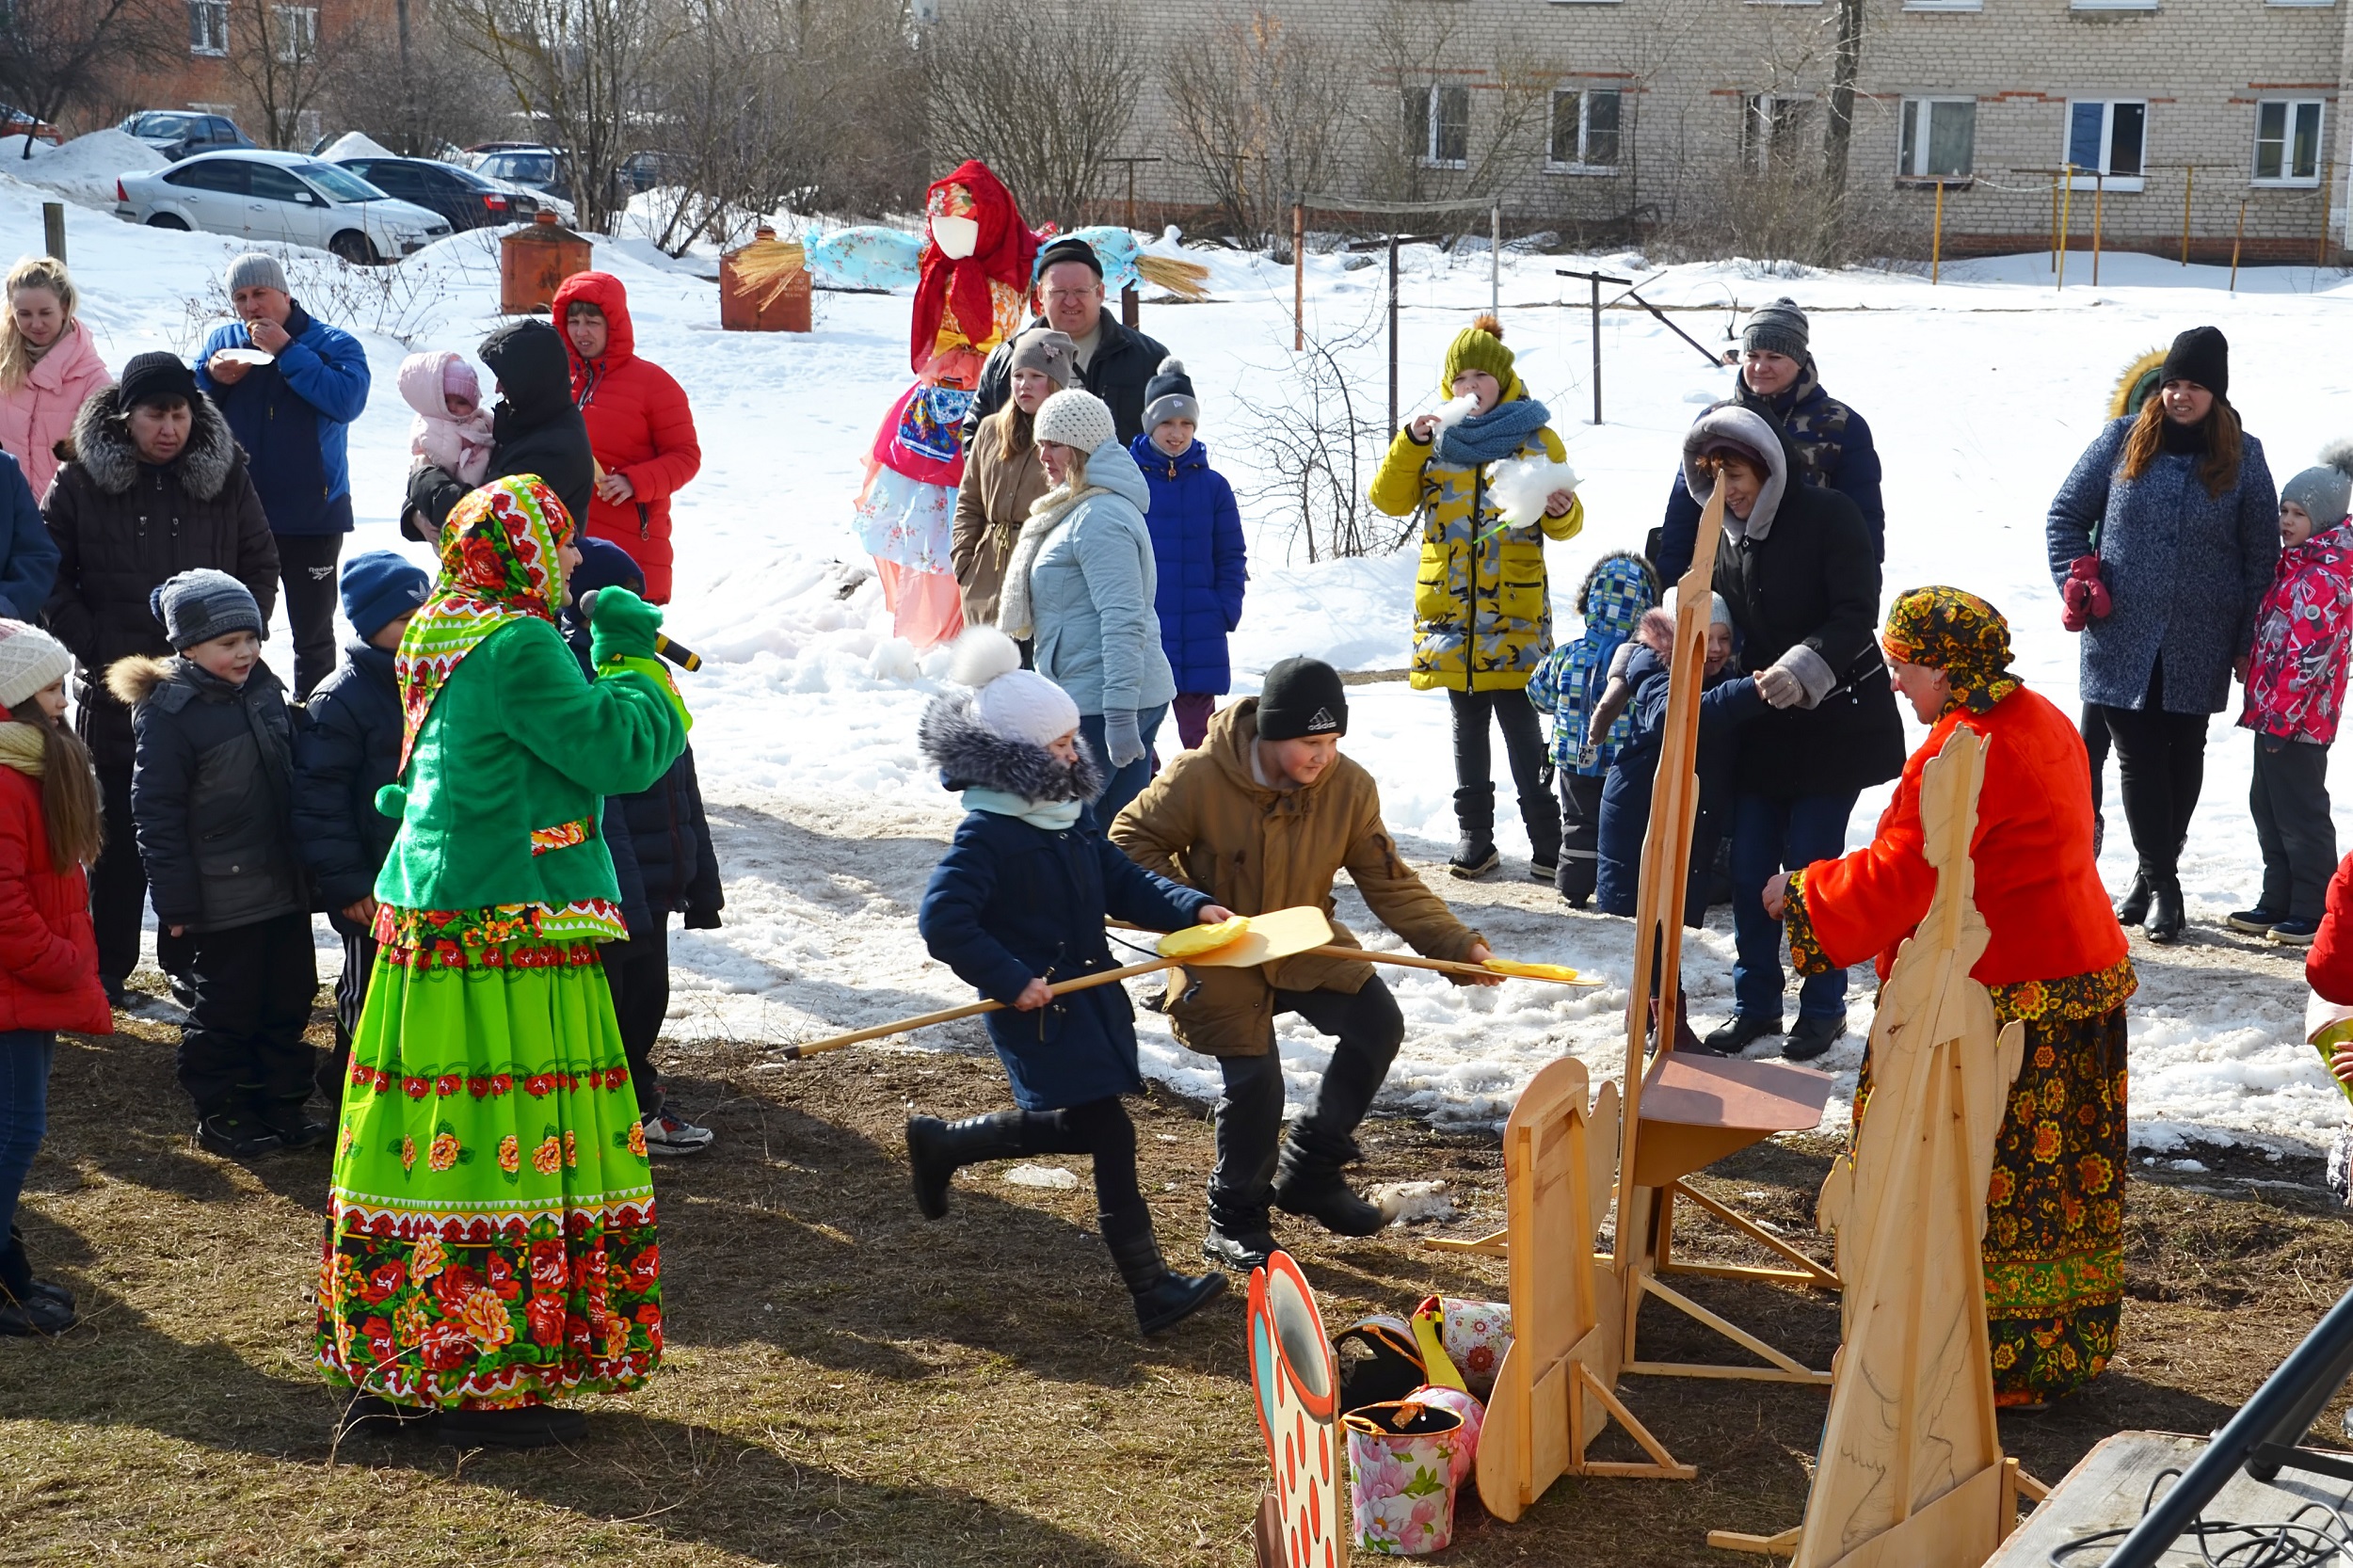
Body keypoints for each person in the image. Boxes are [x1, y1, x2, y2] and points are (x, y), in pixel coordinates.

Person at [316, 474, 685, 1448]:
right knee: (510, 1141)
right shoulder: (518, 640)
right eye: (560, 544)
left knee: (425, 1135)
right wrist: (632, 657)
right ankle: (490, 1367)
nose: (571, 562)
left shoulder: (442, 622)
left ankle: (407, 1354)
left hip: (432, 918)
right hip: (507, 924)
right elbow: (620, 754)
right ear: (520, 550)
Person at [1767, 587, 2133, 1409]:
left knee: (1983, 1169)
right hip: (2078, 976)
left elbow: (1907, 873)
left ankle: (1975, 1355)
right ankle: (2036, 1352)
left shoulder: (1965, 748)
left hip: (2003, 1000)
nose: (1897, 684)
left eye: (1904, 668)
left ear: (1944, 666)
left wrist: (1804, 893)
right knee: (2051, 1186)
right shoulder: (2040, 717)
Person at [1111, 656, 1502, 1270]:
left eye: (1332, 741)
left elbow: (1390, 882)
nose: (1322, 756)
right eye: (1308, 742)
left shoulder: (1348, 789)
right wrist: (1191, 907)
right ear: (1269, 732)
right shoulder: (1199, 776)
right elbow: (1127, 844)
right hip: (1220, 948)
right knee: (1256, 1082)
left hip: (1301, 937)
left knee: (1377, 1022)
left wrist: (1459, 947)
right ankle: (1233, 1215)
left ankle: (1311, 1171)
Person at [912, 626, 1232, 1334]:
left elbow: (1119, 879)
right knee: (1111, 1135)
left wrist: (1190, 906)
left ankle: (945, 1144)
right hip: (1040, 1010)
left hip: (1089, 997)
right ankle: (1151, 1291)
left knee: (1079, 1127)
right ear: (1013, 757)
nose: (1072, 751)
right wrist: (1011, 978)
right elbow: (944, 922)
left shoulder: (1067, 816)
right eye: (1057, 745)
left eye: (1069, 739)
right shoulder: (988, 834)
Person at [41, 353, 279, 1011]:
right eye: (155, 415)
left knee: (203, 825)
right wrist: (90, 645)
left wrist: (236, 641)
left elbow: (260, 559)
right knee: (117, 832)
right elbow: (47, 569)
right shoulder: (83, 478)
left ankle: (188, 963)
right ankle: (109, 967)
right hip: (115, 686)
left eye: (179, 413)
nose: (169, 428)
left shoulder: (224, 474)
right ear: (127, 416)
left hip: (206, 687)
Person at [1681, 406, 1904, 1062]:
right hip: (1764, 725)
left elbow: (1857, 611)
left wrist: (1801, 668)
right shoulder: (1718, 533)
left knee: (1811, 872)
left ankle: (1823, 1007)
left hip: (1833, 721)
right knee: (1751, 869)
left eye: (1739, 470)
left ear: (1768, 466)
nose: (1731, 486)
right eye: (1716, 473)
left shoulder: (1829, 515)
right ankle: (1755, 1006)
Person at [2047, 326, 2278, 943]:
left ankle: (2153, 877)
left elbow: (2261, 556)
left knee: (2185, 752)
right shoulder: (2123, 440)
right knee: (2138, 753)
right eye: (2173, 383)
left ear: (2216, 394)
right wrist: (2078, 575)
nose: (2179, 395)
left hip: (2200, 635)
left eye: (2194, 386)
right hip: (2118, 631)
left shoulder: (2244, 456)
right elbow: (2066, 514)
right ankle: (2166, 886)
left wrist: (2247, 640)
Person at [1370, 313, 1583, 881]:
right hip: (1450, 611)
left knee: (1521, 721)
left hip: (1511, 608)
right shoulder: (1435, 437)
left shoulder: (1534, 436)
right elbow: (1387, 499)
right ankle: (1475, 836)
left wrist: (1562, 511)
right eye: (1459, 379)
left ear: (1502, 380)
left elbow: (1567, 522)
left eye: (1479, 378)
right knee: (1467, 726)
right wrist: (1409, 443)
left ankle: (1546, 837)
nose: (1469, 388)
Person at [111, 569, 314, 1160]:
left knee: (289, 996)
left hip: (282, 882)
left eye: (253, 637)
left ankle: (281, 1099)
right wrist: (175, 901)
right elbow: (155, 813)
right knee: (229, 1004)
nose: (247, 651)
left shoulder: (263, 687)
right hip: (221, 896)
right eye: (229, 643)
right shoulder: (170, 711)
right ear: (188, 648)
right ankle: (222, 1107)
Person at [562, 537, 724, 1155]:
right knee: (616, 1004)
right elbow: (612, 804)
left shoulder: (645, 674)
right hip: (617, 886)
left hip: (656, 878)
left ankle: (634, 1103)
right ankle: (616, 1116)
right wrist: (624, 895)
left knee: (648, 997)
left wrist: (698, 878)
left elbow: (683, 783)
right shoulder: (584, 678)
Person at [194, 253, 371, 699]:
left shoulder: (334, 343)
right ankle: (240, 718)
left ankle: (315, 724)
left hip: (313, 513)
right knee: (232, 628)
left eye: (260, 294)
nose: (251, 306)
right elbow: (188, 414)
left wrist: (288, 352)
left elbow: (346, 401)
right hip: (237, 515)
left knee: (312, 634)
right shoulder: (223, 341)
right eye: (241, 297)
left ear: (285, 294)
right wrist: (211, 379)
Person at [995, 387, 1174, 824]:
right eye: (1040, 444)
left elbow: (1124, 619)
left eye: (1053, 444)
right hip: (1099, 693)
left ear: (1081, 446)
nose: (1043, 455)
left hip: (1104, 700)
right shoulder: (1075, 508)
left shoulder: (1099, 518)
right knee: (1113, 838)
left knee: (1064, 826)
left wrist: (1118, 714)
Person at [0, 619, 108, 1337]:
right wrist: (61, 962)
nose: (64, 700)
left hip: (28, 985)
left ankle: (8, 1268)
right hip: (21, 983)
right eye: (48, 687)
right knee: (15, 1130)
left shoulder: (30, 764)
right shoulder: (7, 780)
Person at [293, 550, 430, 1103]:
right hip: (370, 887)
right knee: (366, 995)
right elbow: (318, 802)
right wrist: (348, 886)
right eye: (403, 620)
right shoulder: (341, 697)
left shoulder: (431, 679)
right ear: (371, 626)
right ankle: (350, 1096)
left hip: (422, 877)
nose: (418, 627)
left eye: (424, 615)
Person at [1651, 297, 1883, 581]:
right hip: (1724, 584)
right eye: (1753, 356)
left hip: (1807, 587)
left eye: (1774, 357)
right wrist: (1666, 582)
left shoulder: (1842, 425)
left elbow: (1864, 523)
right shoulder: (1714, 421)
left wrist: (1860, 600)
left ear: (1799, 360)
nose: (1761, 367)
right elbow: (1684, 510)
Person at [2230, 446, 2353, 947]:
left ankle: (2314, 908)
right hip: (2273, 716)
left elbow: (2308, 660)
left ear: (2321, 518)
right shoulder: (2296, 565)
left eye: (2299, 513)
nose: (2286, 520)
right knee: (2267, 805)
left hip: (2299, 722)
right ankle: (2277, 899)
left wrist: (2280, 719)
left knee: (2300, 812)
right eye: (2284, 509)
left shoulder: (2325, 578)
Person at [1596, 596, 1767, 926]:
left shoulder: (1721, 677)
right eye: (1706, 637)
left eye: (1724, 638)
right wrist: (1748, 693)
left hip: (1688, 823)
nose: (1716, 648)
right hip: (1642, 819)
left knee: (1673, 922)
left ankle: (1665, 980)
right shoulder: (1655, 666)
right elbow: (1672, 715)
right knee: (1645, 922)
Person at [550, 272, 701, 603]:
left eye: (592, 321)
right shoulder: (555, 381)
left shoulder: (653, 384)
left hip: (630, 543)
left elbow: (686, 456)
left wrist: (635, 481)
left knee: (623, 646)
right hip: (563, 547)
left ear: (614, 324)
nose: (581, 331)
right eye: (573, 321)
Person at [1128, 356, 1246, 753]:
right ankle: (1142, 808)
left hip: (1201, 631)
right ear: (1149, 424)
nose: (1176, 434)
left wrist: (1225, 608)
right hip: (1144, 631)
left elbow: (1231, 556)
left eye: (1185, 424)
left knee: (1203, 745)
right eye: (1166, 423)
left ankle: (1202, 811)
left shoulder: (1214, 487)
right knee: (1139, 740)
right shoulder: (1127, 482)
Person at [1528, 552, 1657, 904]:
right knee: (1621, 822)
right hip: (1624, 763)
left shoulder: (1567, 655)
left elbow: (1537, 694)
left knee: (1579, 822)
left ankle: (1573, 884)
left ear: (1591, 603)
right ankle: (1619, 885)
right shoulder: (1640, 662)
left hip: (1574, 758)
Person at [959, 236, 1172, 446]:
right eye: (1058, 291)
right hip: (1029, 481)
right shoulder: (1005, 359)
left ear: (1100, 292)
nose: (1070, 301)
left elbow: (1173, 436)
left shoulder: (1148, 359)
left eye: (1081, 291)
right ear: (1041, 294)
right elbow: (975, 435)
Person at [405, 320, 592, 544]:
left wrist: (422, 478)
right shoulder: (523, 421)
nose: (497, 388)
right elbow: (448, 472)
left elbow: (481, 518)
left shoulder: (556, 448)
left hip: (524, 576)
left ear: (531, 380)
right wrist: (416, 515)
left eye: (506, 379)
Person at [952, 327, 1075, 629]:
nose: (1024, 385)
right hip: (984, 579)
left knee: (1031, 675)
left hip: (1040, 584)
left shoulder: (1071, 435)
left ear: (1056, 383)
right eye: (1018, 376)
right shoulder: (990, 429)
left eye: (1036, 376)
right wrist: (964, 563)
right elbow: (969, 503)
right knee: (985, 671)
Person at [0, 256, 111, 503]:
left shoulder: (93, 379)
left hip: (65, 517)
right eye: (25, 314)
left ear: (64, 307)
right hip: (11, 510)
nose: (36, 324)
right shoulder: (4, 365)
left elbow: (105, 464)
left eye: (45, 313)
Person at [395, 350, 493, 487]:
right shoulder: (431, 424)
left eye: (461, 402)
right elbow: (444, 458)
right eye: (446, 401)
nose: (452, 407)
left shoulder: (482, 420)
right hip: (449, 489)